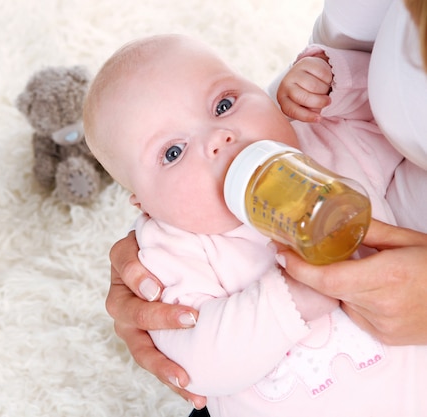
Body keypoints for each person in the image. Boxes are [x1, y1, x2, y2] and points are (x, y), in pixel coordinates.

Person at [104, 0, 427, 412]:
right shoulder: (171, 248)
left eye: (224, 105)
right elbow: (195, 366)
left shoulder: (323, 150)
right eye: (172, 152)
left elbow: (385, 129)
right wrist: (292, 298)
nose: (218, 137)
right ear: (144, 204)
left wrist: (332, 97)